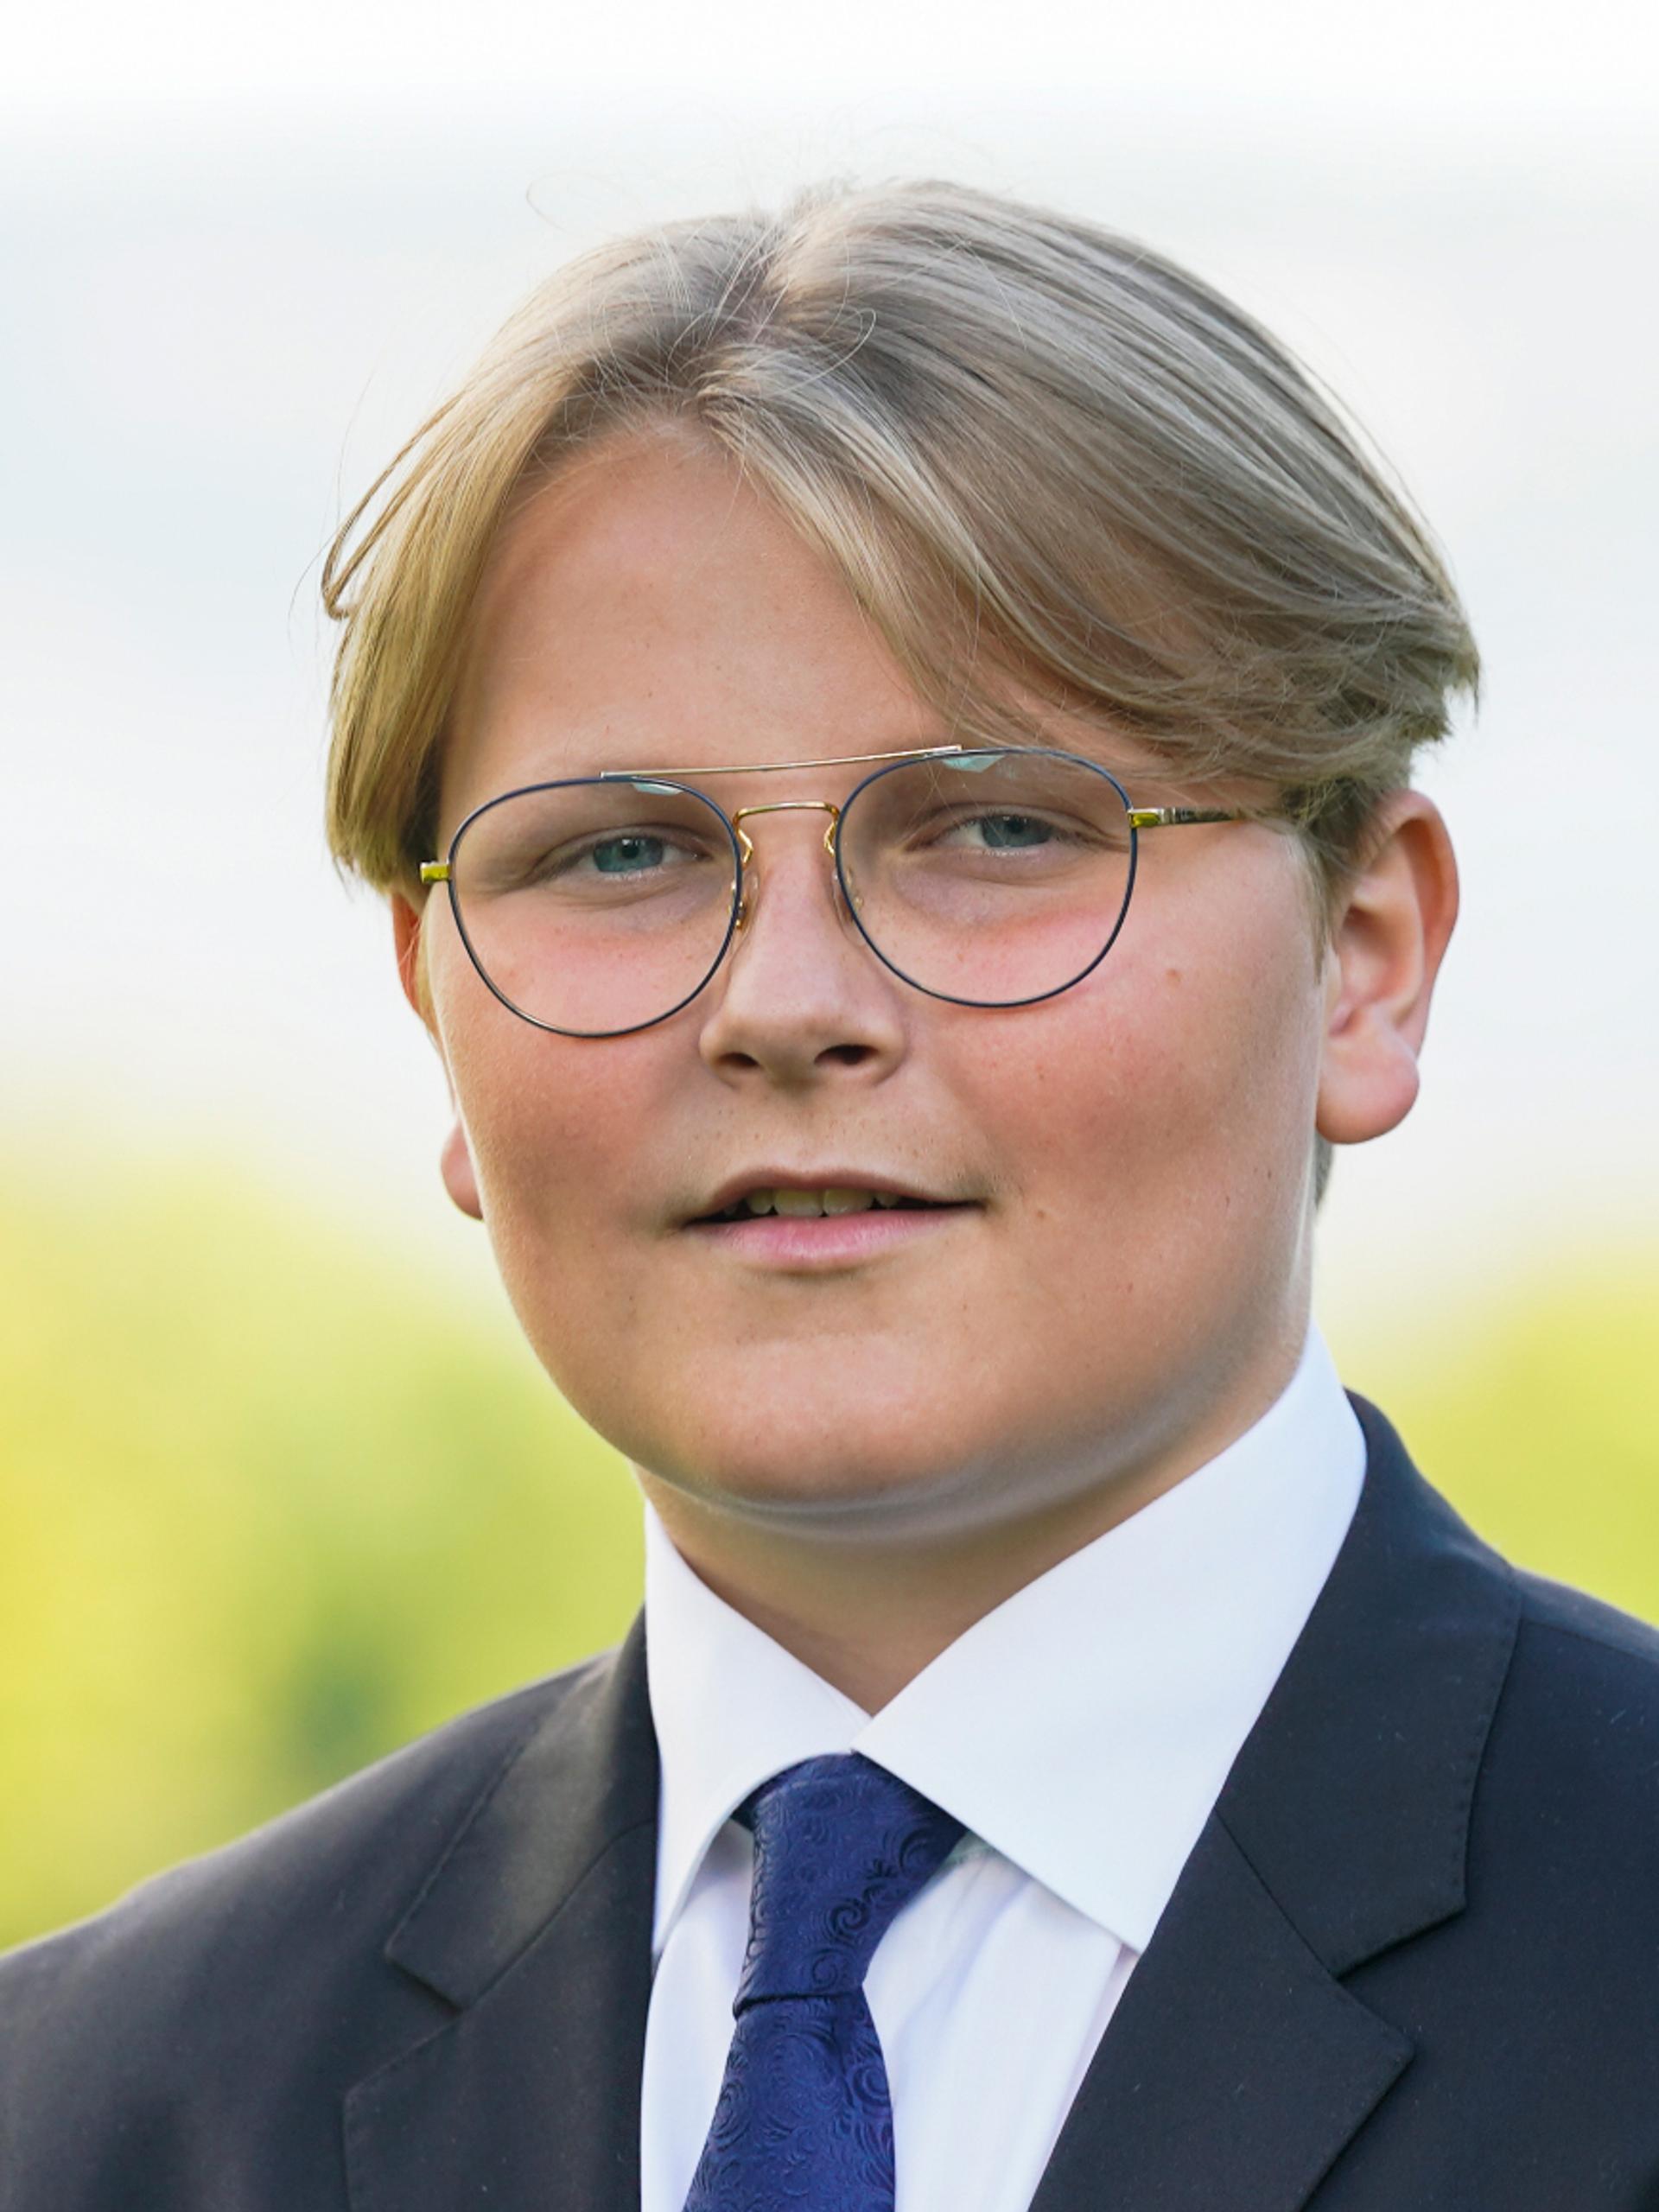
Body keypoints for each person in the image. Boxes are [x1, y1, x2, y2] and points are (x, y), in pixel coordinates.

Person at [1, 176, 1654, 2212]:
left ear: (1368, 956)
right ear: (439, 1008)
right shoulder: (90, 2111)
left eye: (997, 826)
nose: (785, 1003)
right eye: (620, 852)